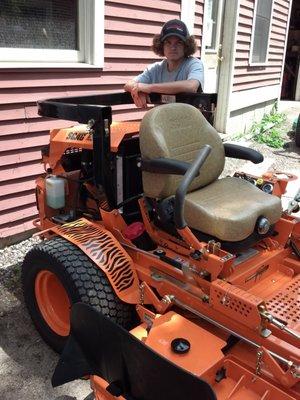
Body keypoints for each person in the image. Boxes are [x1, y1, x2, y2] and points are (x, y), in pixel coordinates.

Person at [124, 19, 204, 108]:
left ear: (186, 45)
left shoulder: (194, 64)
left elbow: (191, 86)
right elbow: (128, 85)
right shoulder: (155, 68)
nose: (173, 47)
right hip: (161, 120)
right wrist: (138, 90)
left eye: (179, 43)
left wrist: (149, 88)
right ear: (161, 46)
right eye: (168, 43)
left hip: (189, 120)